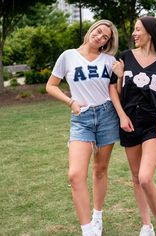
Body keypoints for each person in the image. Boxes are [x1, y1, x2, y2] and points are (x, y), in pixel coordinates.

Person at [46, 19, 119, 236]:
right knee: (75, 174)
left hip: (107, 116)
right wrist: (70, 102)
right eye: (99, 32)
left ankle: (97, 217)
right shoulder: (68, 56)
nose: (100, 37)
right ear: (91, 30)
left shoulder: (109, 60)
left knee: (100, 169)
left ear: (107, 42)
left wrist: (121, 76)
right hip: (81, 119)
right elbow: (50, 85)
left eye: (105, 37)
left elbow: (117, 91)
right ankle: (88, 230)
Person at [110, 16, 156, 236]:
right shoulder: (125, 58)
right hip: (129, 123)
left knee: (145, 178)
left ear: (150, 31)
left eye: (138, 29)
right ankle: (146, 225)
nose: (134, 33)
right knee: (136, 176)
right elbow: (114, 90)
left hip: (152, 125)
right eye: (134, 30)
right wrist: (121, 115)